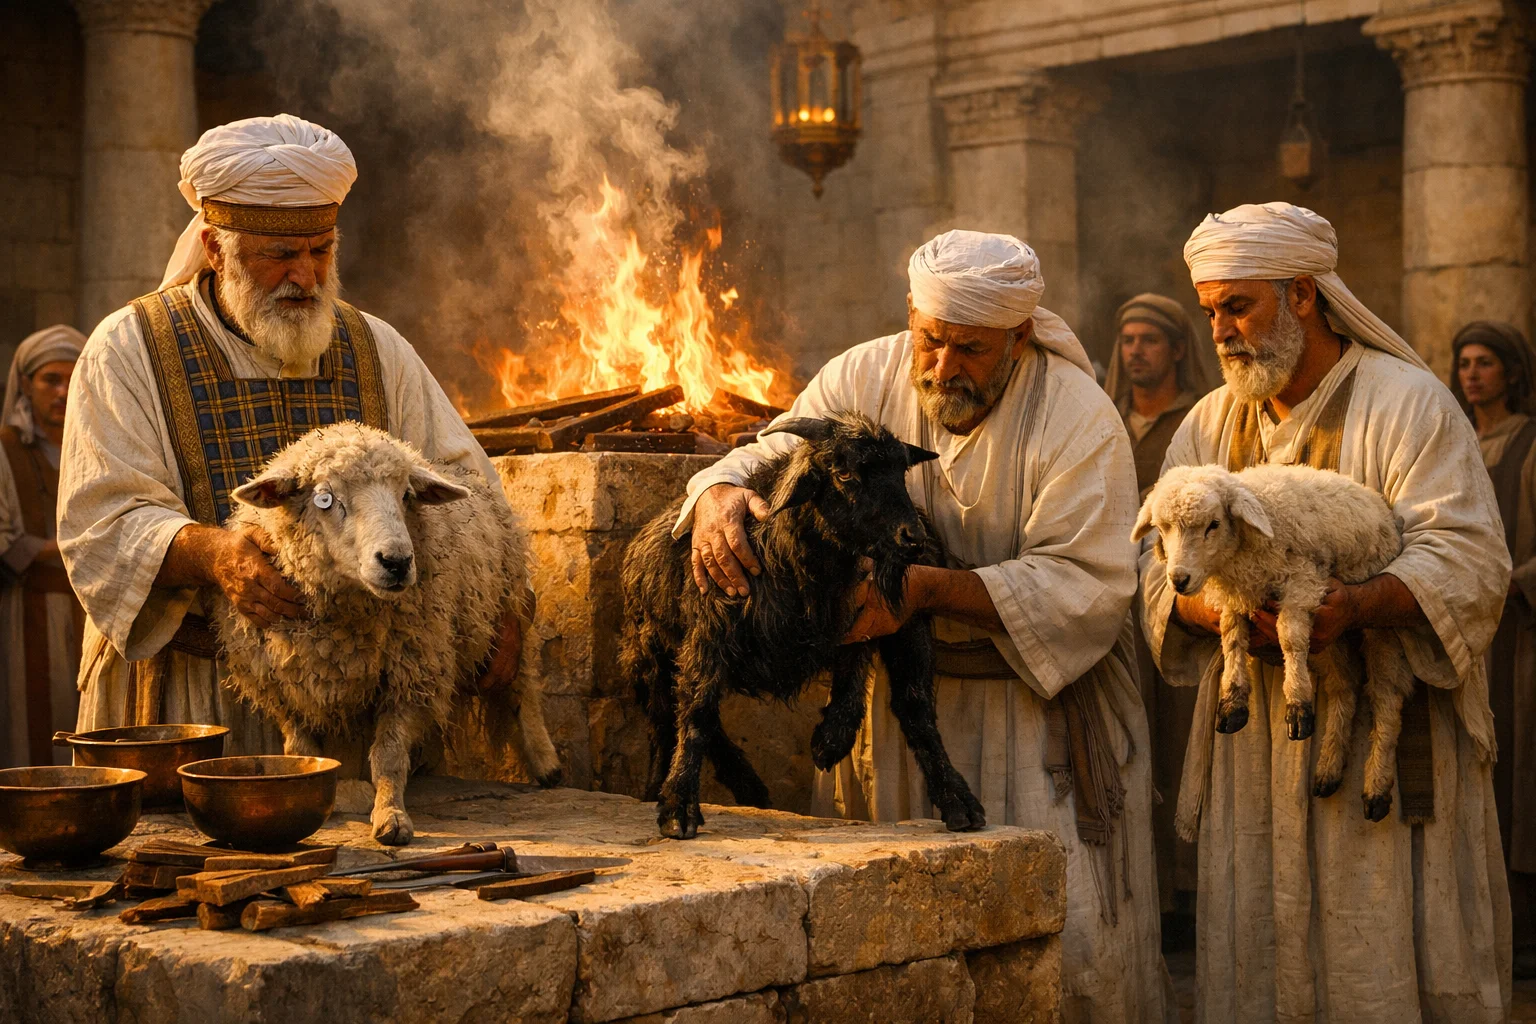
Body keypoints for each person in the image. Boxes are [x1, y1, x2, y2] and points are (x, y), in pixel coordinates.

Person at [683, 230, 1174, 1023]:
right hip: (890, 712)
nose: (944, 368)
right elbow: (762, 455)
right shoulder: (863, 375)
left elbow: (1085, 583)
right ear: (911, 315)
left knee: (1048, 961)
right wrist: (718, 496)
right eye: (932, 340)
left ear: (1020, 335)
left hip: (1025, 721)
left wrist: (920, 593)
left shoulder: (1079, 416)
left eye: (971, 351)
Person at [57, 114, 522, 767]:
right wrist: (212, 553)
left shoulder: (375, 348)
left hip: (361, 706)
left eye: (321, 250)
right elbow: (100, 519)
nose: (305, 276)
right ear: (216, 249)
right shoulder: (129, 351)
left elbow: (465, 484)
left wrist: (504, 600)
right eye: (279, 255)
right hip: (196, 708)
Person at [1142, 202, 1510, 1022]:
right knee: (1259, 960)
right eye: (1211, 312)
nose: (1222, 331)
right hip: (1257, 742)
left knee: (1376, 951)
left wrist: (1356, 606)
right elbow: (1153, 564)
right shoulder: (1207, 423)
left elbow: (1471, 557)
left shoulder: (1409, 402)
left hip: (1384, 719)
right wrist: (1211, 612)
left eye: (1239, 305)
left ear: (1304, 294)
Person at [1103, 293, 1217, 946]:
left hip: (1182, 608)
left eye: (1150, 340)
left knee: (1181, 741)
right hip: (1118, 614)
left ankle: (1190, 894)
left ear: (1177, 349)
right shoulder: (1109, 422)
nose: (1136, 351)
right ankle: (1145, 888)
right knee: (1130, 745)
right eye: (1128, 340)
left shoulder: (1193, 425)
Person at [1451, 320, 1536, 980]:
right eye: (1465, 363)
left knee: (1523, 780)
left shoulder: (1531, 444)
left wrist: (1511, 584)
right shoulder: (1454, 445)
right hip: (1464, 640)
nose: (1473, 374)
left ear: (1510, 371)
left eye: (1485, 363)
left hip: (1520, 637)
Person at [1, 326, 85, 766]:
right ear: (26, 384)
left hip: (90, 608)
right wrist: (71, 546)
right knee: (29, 724)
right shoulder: (6, 449)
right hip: (28, 608)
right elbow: (5, 541)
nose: (63, 391)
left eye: (73, 379)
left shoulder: (94, 447)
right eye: (50, 379)